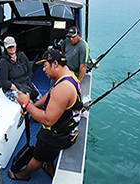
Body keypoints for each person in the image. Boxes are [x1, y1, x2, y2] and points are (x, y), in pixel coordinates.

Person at [7, 49, 83, 181]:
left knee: (38, 156)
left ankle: (23, 174)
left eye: (45, 66)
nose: (43, 69)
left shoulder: (64, 88)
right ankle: (49, 167)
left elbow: (48, 120)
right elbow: (50, 94)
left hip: (59, 135)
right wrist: (34, 106)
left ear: (55, 64)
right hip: (65, 128)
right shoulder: (68, 75)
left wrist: (26, 104)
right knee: (46, 148)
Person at [0, 36, 41, 103]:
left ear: (16, 46)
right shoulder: (3, 62)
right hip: (13, 88)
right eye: (9, 47)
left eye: (13, 46)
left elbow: (29, 70)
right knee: (29, 103)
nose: (12, 49)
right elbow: (4, 81)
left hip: (25, 83)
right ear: (5, 48)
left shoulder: (22, 56)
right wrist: (18, 90)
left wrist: (28, 82)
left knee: (39, 98)